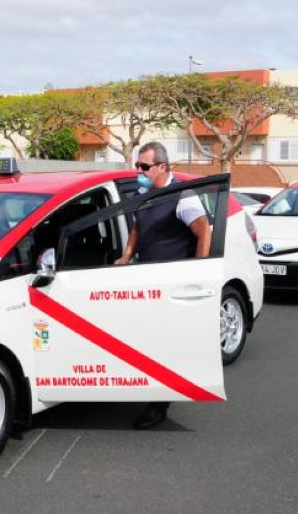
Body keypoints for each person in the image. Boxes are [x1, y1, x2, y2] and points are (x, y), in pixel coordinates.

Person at [114, 141, 211, 430]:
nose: (139, 171)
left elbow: (203, 231)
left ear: (162, 167)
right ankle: (150, 391)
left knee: (165, 346)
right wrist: (127, 255)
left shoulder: (183, 197)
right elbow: (136, 227)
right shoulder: (145, 195)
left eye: (144, 166)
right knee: (147, 341)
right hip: (147, 279)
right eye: (137, 166)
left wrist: (197, 271)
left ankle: (159, 406)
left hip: (172, 283)